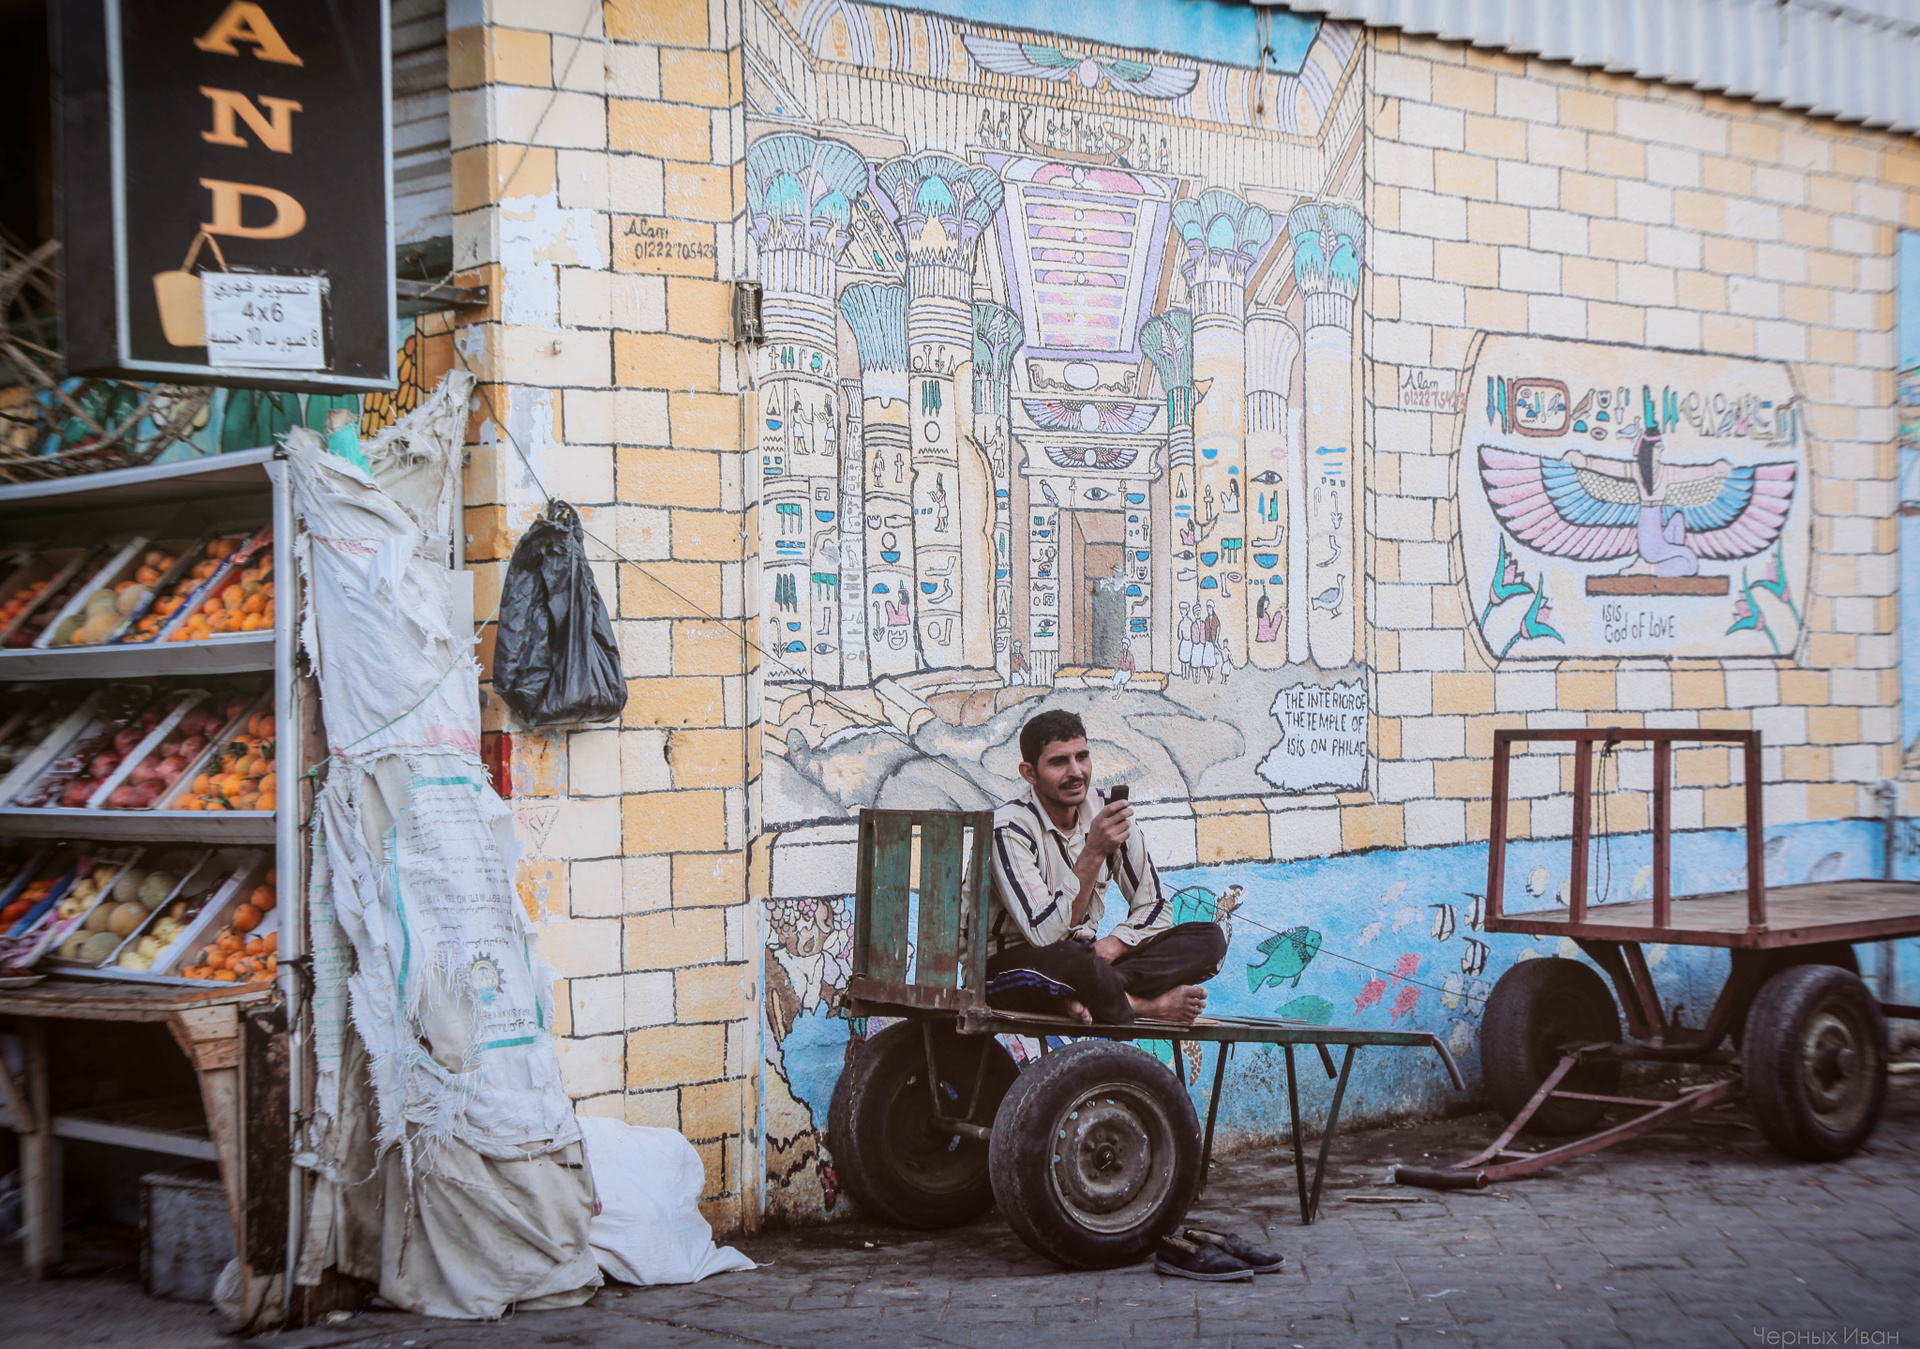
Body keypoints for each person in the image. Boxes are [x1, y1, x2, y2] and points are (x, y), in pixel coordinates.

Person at [985, 709, 1227, 1025]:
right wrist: (1094, 851)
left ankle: (1097, 992)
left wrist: (1113, 945)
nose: (1076, 772)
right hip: (1017, 968)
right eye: (1059, 762)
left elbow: (1155, 906)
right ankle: (1139, 1005)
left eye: (1082, 757)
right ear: (1030, 773)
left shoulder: (1105, 812)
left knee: (1209, 939)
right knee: (1072, 958)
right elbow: (1045, 938)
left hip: (1087, 962)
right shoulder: (1009, 828)